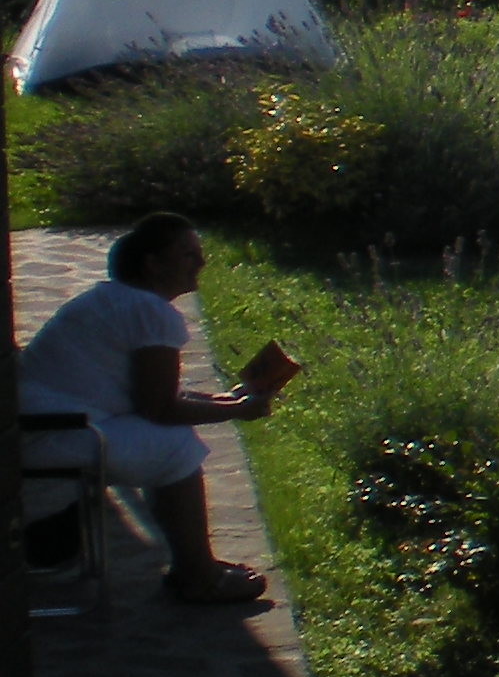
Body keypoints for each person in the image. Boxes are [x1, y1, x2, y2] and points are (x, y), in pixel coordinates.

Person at [20, 211, 299, 605]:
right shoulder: (150, 312)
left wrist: (230, 399)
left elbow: (151, 395)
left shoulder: (117, 300)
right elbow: (160, 408)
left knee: (166, 440)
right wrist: (239, 410)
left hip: (43, 428)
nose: (200, 263)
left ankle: (193, 565)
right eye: (187, 255)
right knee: (172, 445)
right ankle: (198, 575)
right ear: (153, 264)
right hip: (51, 436)